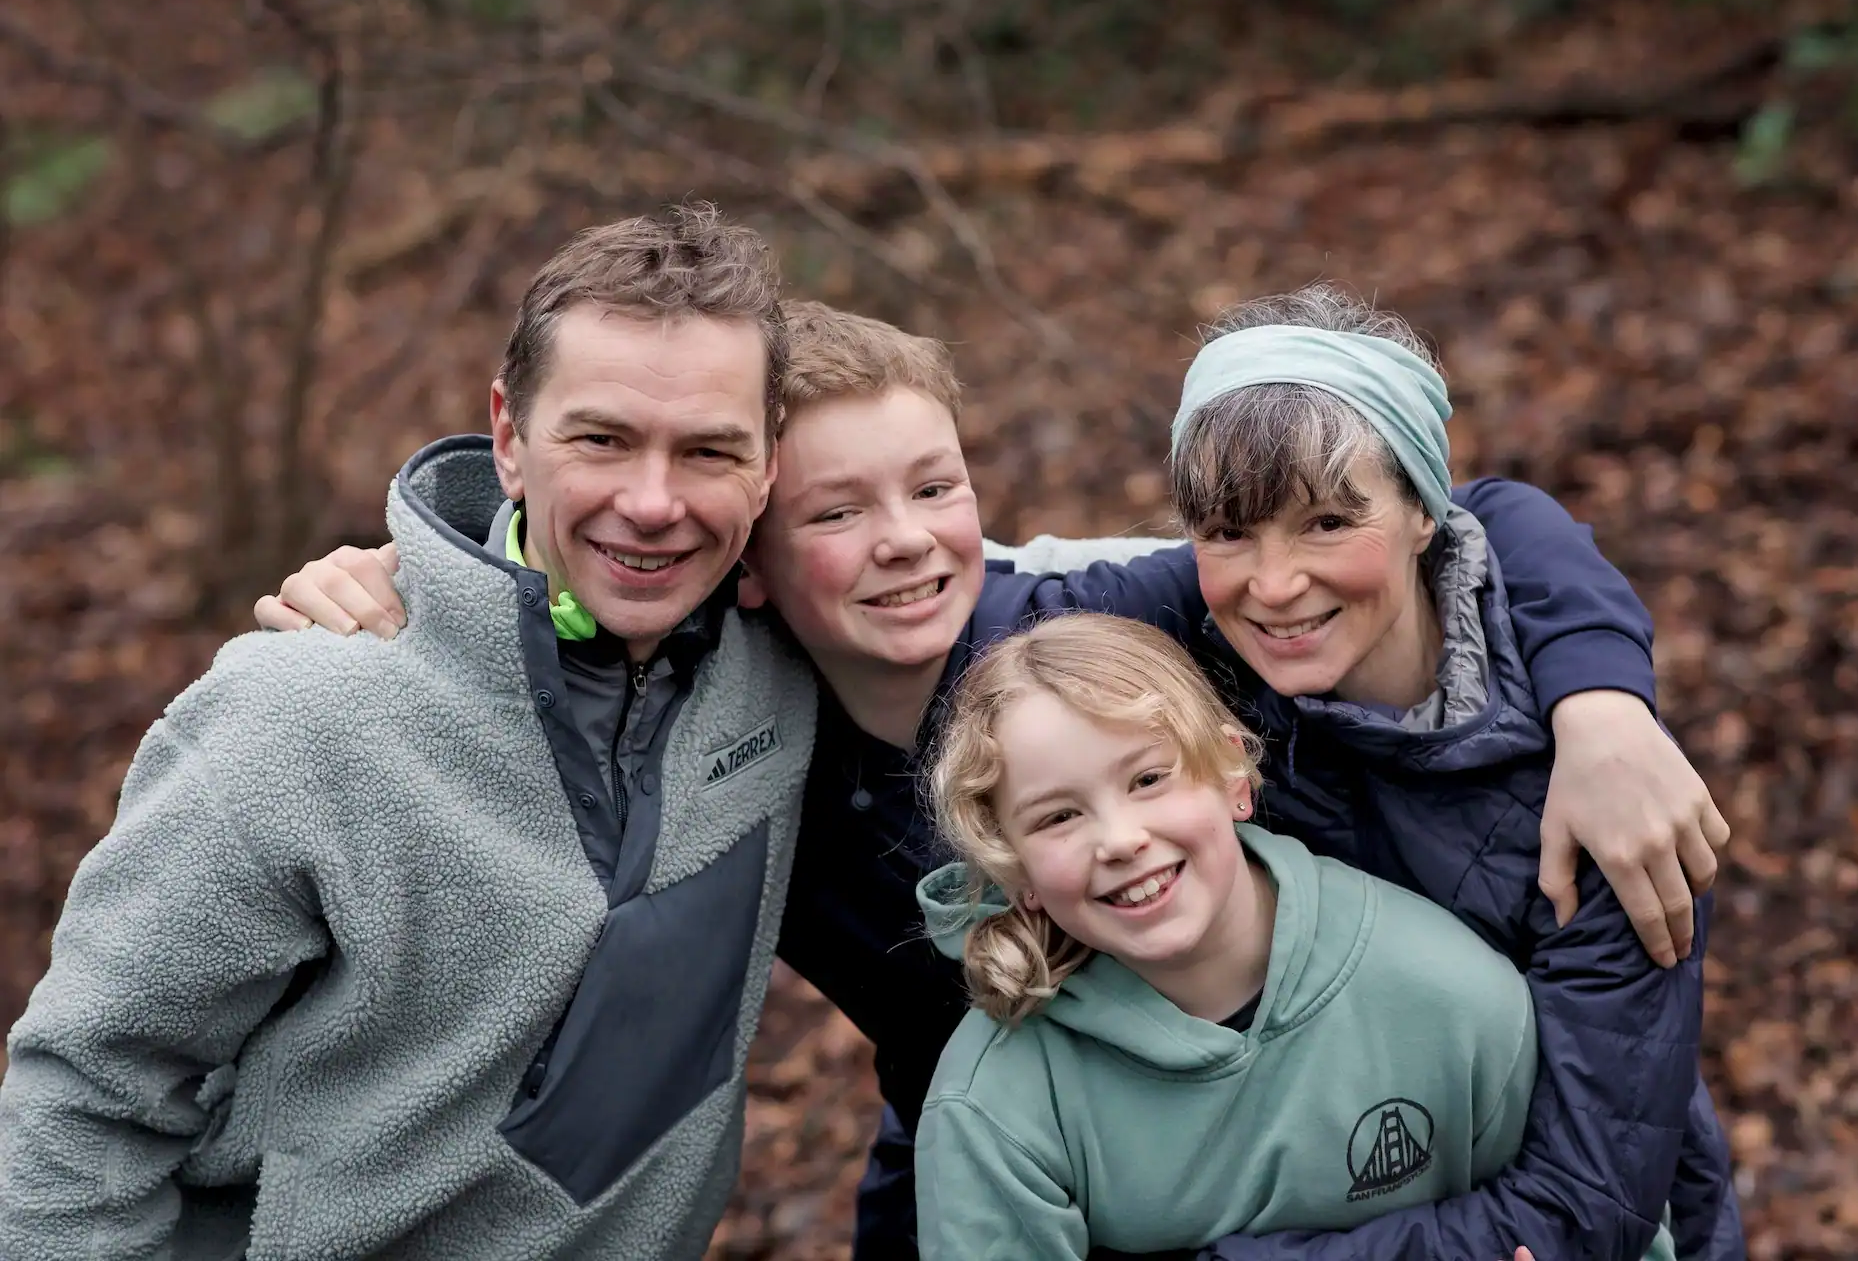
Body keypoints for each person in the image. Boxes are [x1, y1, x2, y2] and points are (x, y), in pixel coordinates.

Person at [266, 297, 1734, 1259]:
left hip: (1479, 1155)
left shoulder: (1107, 639)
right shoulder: (722, 729)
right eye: (837, 511)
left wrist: (1606, 702)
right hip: (1043, 1156)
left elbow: (1477, 512)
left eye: (935, 487)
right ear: (756, 565)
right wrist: (402, 592)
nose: (905, 541)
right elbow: (572, 618)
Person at [0, 206, 822, 1258]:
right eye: (601, 438)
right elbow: (83, 1100)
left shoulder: (791, 665)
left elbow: (975, 571)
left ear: (767, 465)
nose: (653, 501)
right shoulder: (301, 715)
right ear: (510, 437)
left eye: (708, 449)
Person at [910, 612, 1677, 1261]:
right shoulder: (993, 1109)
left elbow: (1614, 1233)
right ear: (1019, 877)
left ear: (1234, 775)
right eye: (1058, 817)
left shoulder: (1451, 997)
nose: (1120, 838)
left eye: (1148, 779)